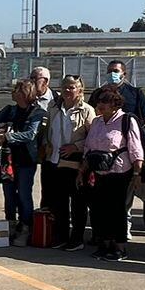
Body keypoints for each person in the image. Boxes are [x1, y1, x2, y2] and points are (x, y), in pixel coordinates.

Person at [79, 83, 144, 261]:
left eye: (105, 101)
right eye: (99, 101)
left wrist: (137, 174)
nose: (100, 104)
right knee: (100, 209)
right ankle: (105, 244)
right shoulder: (97, 122)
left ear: (115, 104)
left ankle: (120, 247)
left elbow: (136, 149)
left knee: (117, 210)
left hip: (120, 173)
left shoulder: (126, 120)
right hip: (99, 173)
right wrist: (82, 170)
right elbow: (88, 148)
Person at [43, 76, 95, 250]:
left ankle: (77, 238)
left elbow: (93, 138)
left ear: (80, 90)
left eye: (72, 87)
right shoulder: (53, 108)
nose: (67, 90)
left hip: (75, 164)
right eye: (65, 87)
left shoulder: (86, 110)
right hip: (54, 161)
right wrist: (46, 144)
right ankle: (61, 236)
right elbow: (47, 130)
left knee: (78, 203)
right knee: (59, 202)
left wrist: (76, 146)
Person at [0, 78, 45, 240]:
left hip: (26, 160)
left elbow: (30, 134)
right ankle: (10, 224)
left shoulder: (37, 113)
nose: (13, 92)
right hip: (8, 159)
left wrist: (8, 136)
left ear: (25, 93)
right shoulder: (10, 110)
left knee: (24, 194)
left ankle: (25, 226)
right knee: (8, 194)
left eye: (17, 89)